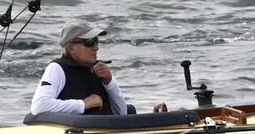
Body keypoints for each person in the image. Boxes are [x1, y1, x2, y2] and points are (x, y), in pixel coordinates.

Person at [30, 23, 165, 118]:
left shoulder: (98, 70)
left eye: (96, 41)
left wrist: (109, 82)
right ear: (71, 48)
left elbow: (121, 113)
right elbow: (39, 106)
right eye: (89, 42)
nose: (96, 47)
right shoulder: (57, 69)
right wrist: (83, 104)